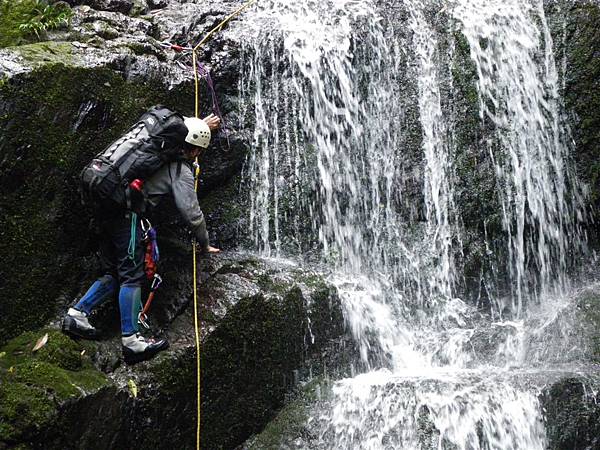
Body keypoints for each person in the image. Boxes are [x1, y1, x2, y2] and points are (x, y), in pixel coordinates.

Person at [62, 112, 221, 364]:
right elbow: (191, 213)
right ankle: (132, 340)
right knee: (132, 274)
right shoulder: (179, 167)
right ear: (195, 151)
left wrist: (203, 124)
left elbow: (187, 130)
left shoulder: (154, 147)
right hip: (128, 214)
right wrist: (204, 243)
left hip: (105, 204)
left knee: (114, 270)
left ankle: (77, 313)